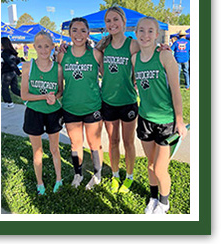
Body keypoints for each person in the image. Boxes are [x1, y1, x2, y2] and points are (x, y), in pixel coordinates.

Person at [132, 17, 187, 214]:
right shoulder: (134, 59)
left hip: (166, 122)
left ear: (157, 34)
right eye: (141, 30)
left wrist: (179, 121)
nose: (145, 35)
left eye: (150, 31)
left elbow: (176, 91)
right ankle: (153, 198)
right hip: (145, 119)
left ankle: (164, 204)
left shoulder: (165, 57)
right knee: (150, 164)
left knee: (159, 168)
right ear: (136, 33)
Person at [95, 6, 141, 194]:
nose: (112, 23)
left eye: (115, 20)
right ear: (105, 25)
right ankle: (115, 175)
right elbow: (100, 70)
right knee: (113, 141)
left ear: (123, 22)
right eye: (108, 21)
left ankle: (129, 176)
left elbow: (147, 61)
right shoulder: (102, 47)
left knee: (128, 142)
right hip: (108, 102)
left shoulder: (133, 44)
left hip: (128, 101)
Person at [57, 17, 104, 190]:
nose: (78, 34)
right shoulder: (62, 54)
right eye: (74, 30)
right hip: (70, 107)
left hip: (92, 107)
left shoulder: (95, 54)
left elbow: (109, 76)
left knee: (94, 144)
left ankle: (97, 174)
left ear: (88, 33)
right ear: (69, 33)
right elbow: (58, 82)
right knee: (76, 144)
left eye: (83, 30)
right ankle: (78, 174)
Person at [21, 30, 64, 195]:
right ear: (34, 47)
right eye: (40, 46)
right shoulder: (27, 67)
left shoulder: (58, 68)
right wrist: (44, 96)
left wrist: (55, 97)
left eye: (47, 46)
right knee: (37, 150)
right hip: (34, 113)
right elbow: (24, 95)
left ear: (53, 47)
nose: (44, 50)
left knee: (54, 149)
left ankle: (58, 179)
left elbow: (60, 91)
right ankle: (40, 183)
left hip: (53, 113)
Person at [1, 37, 24, 108]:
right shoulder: (12, 52)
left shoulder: (4, 53)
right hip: (13, 73)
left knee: (5, 88)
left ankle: (9, 103)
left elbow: (11, 63)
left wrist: (19, 73)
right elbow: (16, 61)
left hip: (7, 73)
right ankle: (27, 97)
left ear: (3, 44)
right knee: (14, 89)